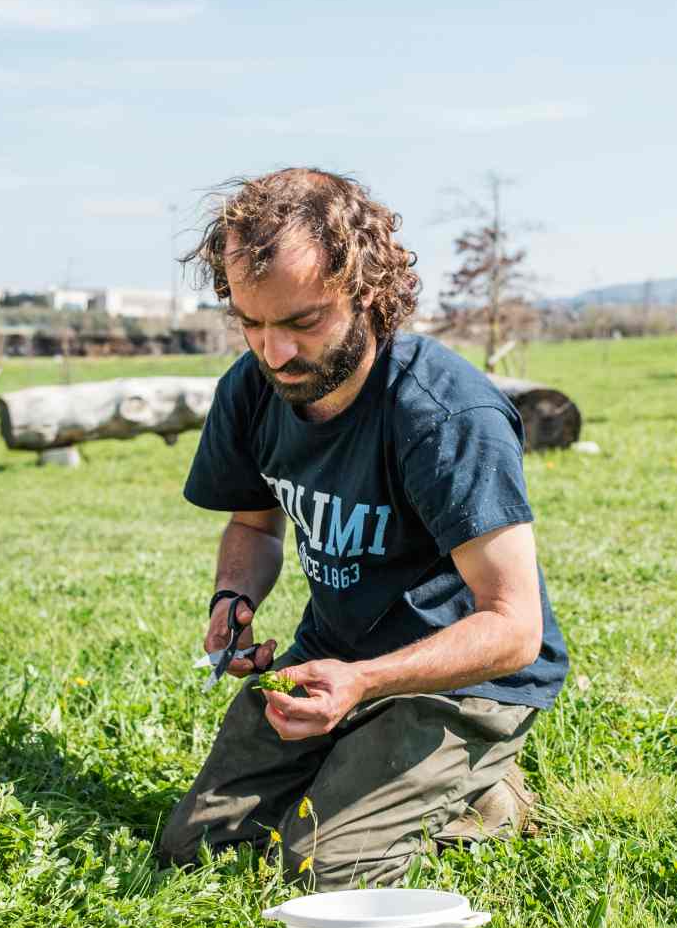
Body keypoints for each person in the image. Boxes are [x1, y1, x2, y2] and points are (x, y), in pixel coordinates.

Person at [155, 167, 570, 889]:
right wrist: (232, 601)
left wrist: (367, 682)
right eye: (251, 322)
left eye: (301, 322)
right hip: (336, 657)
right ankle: (366, 762)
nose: (272, 352)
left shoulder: (444, 417)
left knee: (322, 863)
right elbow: (254, 526)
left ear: (369, 292)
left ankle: (486, 794)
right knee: (197, 847)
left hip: (467, 682)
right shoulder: (252, 389)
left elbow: (513, 628)